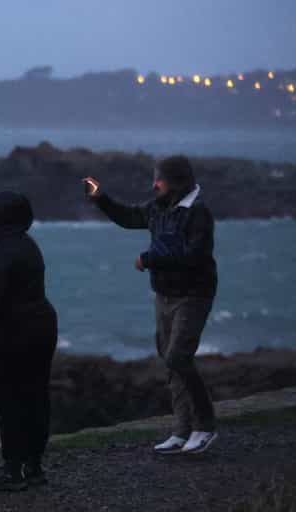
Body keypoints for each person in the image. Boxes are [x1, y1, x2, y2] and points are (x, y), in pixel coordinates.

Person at [83, 155, 219, 455]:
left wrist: (149, 259)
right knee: (171, 363)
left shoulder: (198, 213)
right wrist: (101, 198)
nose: (154, 184)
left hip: (193, 295)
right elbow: (130, 217)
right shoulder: (160, 207)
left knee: (178, 358)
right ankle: (182, 432)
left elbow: (193, 257)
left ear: (177, 181)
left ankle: (205, 427)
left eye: (160, 178)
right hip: (164, 294)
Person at [0, 192, 57, 492]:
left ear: (0, 219)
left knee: (8, 401)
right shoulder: (27, 246)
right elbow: (1, 278)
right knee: (36, 397)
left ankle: (12, 471)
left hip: (13, 333)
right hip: (42, 326)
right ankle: (34, 467)